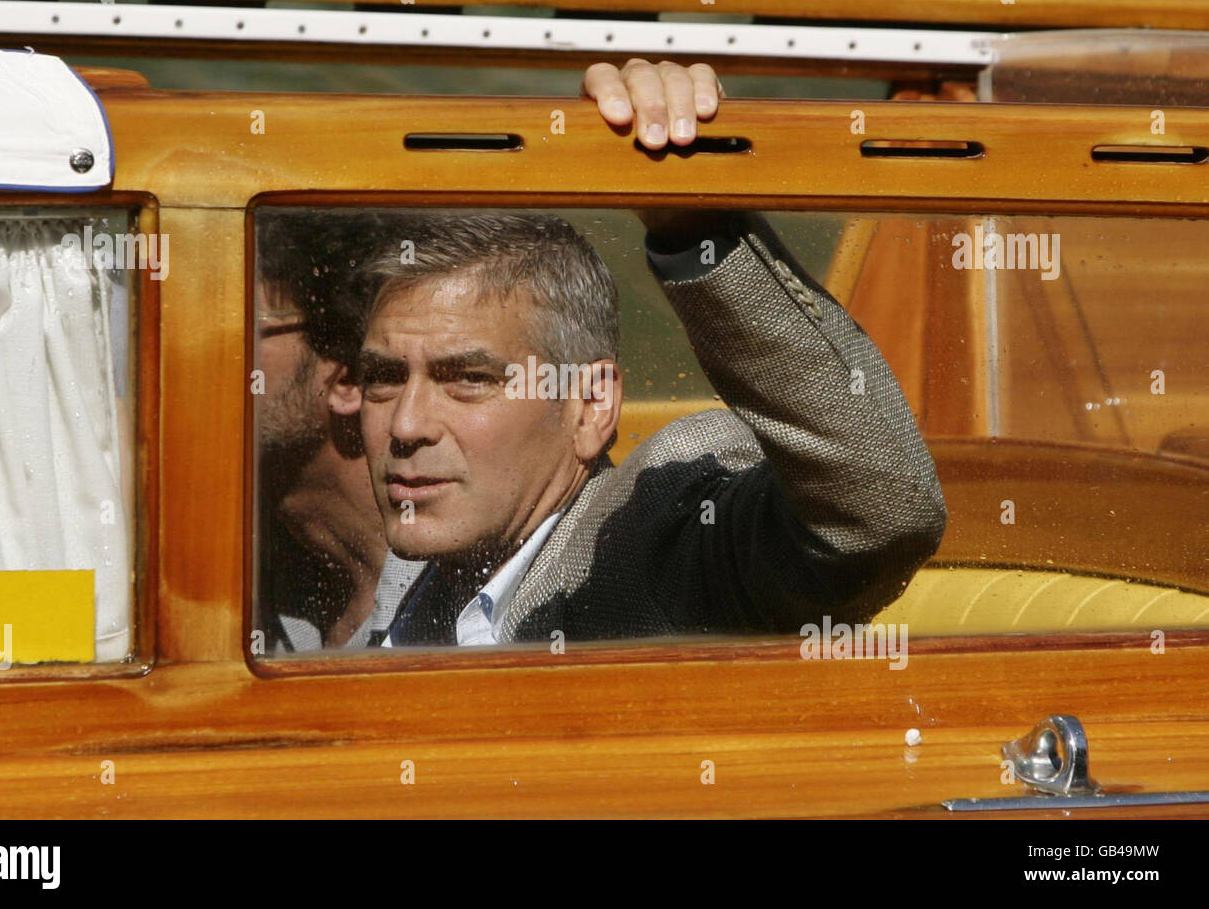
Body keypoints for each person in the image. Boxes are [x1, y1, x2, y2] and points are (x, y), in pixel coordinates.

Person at [345, 59, 948, 647]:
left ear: (590, 404)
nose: (406, 424)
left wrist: (692, 218)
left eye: (469, 378)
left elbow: (882, 513)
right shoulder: (410, 569)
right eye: (383, 379)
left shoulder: (660, 538)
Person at [254, 210, 424, 652]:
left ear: (349, 381)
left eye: (239, 322)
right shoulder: (237, 568)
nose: (194, 347)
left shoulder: (478, 582)